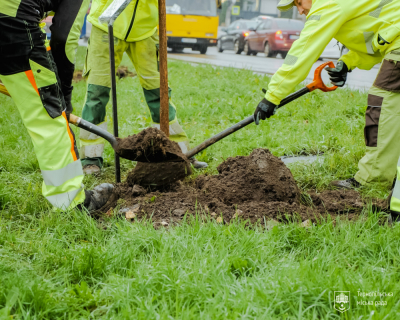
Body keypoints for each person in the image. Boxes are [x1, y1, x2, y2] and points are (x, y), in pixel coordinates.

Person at [255, 0, 400, 192]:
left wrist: (273, 96)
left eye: (299, 2)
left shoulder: (326, 4)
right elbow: (380, 37)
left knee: (381, 103)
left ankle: (373, 180)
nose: (300, 10)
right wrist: (347, 62)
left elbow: (301, 51)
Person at [0, 0, 114, 212]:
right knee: (48, 119)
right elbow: (64, 38)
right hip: (13, 23)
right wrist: (62, 97)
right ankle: (69, 201)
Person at [79, 0, 208, 175]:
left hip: (145, 29)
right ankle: (90, 157)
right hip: (106, 25)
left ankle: (177, 152)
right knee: (97, 93)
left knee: (159, 94)